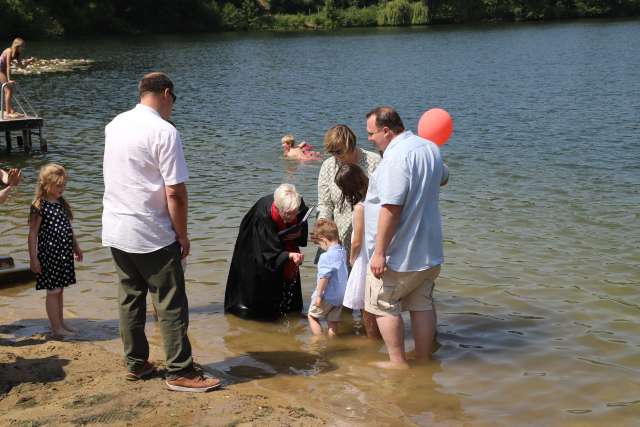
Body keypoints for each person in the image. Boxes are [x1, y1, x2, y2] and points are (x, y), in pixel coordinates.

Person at [102, 72, 220, 392]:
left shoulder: (114, 124)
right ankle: (180, 370)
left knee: (130, 298)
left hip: (115, 225)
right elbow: (176, 193)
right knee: (170, 302)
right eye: (173, 101)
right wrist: (182, 234)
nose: (172, 107)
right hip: (150, 230)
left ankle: (135, 363)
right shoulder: (164, 132)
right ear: (166, 93)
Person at [364, 106, 447, 369]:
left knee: (384, 304)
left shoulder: (395, 158)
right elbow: (444, 177)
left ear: (386, 131)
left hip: (401, 252)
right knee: (421, 304)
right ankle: (424, 360)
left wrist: (379, 252)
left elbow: (391, 207)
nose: (369, 139)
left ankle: (397, 362)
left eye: (371, 133)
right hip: (429, 250)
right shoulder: (430, 148)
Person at [225, 183, 309, 320]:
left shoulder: (296, 203)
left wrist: (298, 232)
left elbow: (301, 218)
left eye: (295, 213)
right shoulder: (262, 216)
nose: (293, 217)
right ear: (278, 208)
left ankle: (290, 310)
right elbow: (266, 252)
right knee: (259, 276)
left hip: (277, 238)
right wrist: (288, 255)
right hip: (255, 242)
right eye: (289, 214)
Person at [28, 164, 82, 337]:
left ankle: (61, 323)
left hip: (63, 254)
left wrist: (76, 246)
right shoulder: (39, 205)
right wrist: (33, 259)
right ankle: (56, 329)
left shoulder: (60, 202)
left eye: (64, 185)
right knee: (53, 291)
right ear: (46, 184)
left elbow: (68, 227)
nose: (62, 188)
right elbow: (32, 234)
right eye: (58, 185)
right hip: (49, 256)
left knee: (60, 290)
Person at [317, 125, 380, 258]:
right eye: (331, 152)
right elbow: (325, 203)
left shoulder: (374, 162)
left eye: (338, 151)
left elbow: (384, 200)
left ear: (350, 144)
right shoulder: (328, 165)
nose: (335, 156)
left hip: (369, 235)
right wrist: (323, 225)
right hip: (339, 235)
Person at [334, 163, 380, 339]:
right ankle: (377, 339)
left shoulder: (360, 207)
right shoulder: (377, 196)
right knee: (377, 302)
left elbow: (357, 240)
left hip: (364, 257)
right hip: (378, 251)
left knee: (364, 304)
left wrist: (352, 260)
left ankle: (372, 340)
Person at [308, 219, 348, 337]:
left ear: (324, 240)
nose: (321, 247)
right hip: (341, 296)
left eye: (320, 244)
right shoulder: (342, 252)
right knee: (332, 322)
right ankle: (332, 342)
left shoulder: (326, 256)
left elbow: (324, 277)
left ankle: (319, 340)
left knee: (312, 316)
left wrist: (319, 296)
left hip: (328, 296)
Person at [0, 38, 25, 118]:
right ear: (16, 46)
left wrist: (30, 61)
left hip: (3, 70)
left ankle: (11, 110)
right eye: (22, 46)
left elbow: (21, 67)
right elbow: (7, 66)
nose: (23, 48)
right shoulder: (9, 51)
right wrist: (9, 79)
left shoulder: (17, 54)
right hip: (0, 70)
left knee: (9, 91)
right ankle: (8, 113)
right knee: (8, 90)